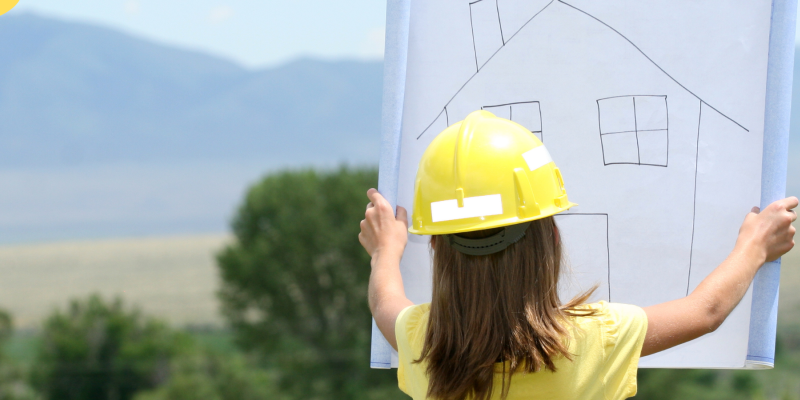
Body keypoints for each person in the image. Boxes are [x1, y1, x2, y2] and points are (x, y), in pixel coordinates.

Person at [358, 110, 797, 400]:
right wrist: (754, 246)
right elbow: (706, 310)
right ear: (550, 237)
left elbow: (384, 303)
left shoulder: (425, 342)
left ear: (435, 243)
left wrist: (386, 252)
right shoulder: (589, 339)